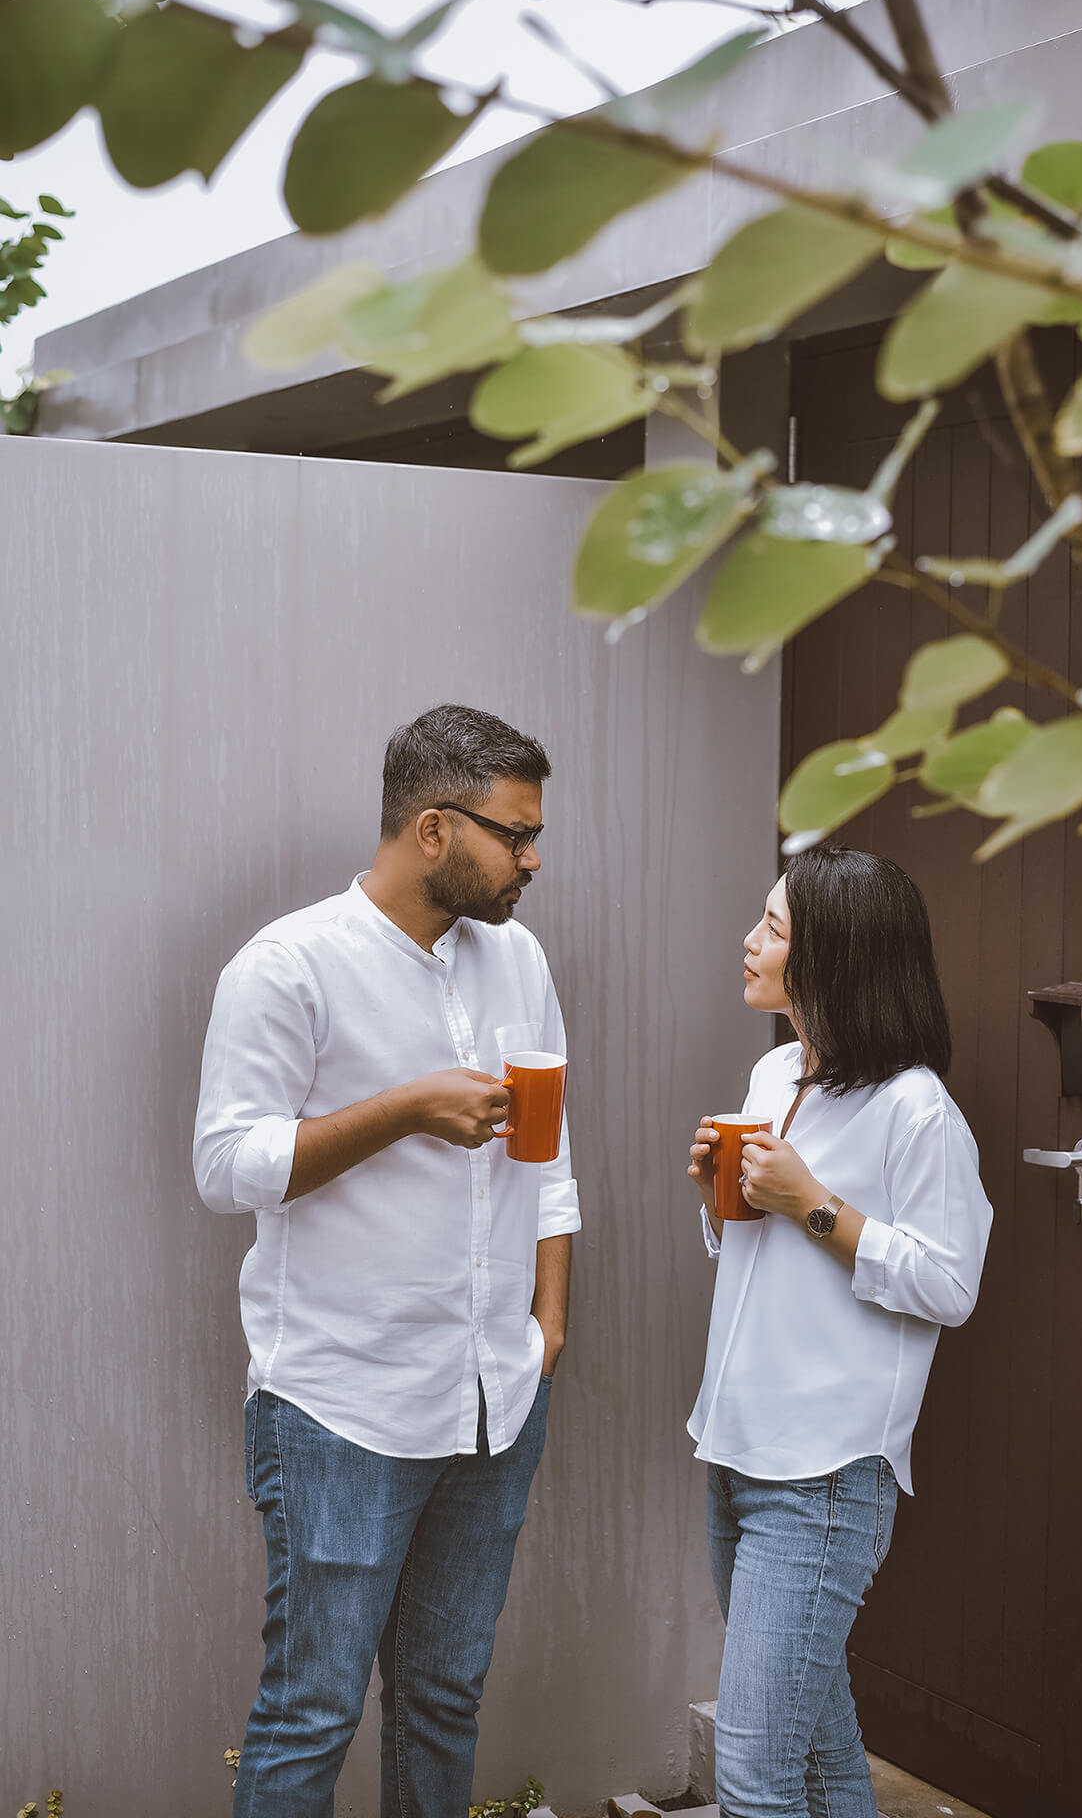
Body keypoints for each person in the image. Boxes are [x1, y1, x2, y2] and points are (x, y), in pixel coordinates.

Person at [194, 704, 579, 1818]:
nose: (531, 858)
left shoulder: (519, 957)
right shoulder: (289, 966)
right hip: (339, 1401)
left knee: (444, 1695)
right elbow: (226, 1165)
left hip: (495, 1396)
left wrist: (547, 1326)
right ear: (431, 828)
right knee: (310, 1710)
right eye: (513, 833)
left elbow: (553, 1162)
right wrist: (407, 1107)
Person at [686, 844, 992, 1818]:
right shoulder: (775, 1067)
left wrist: (813, 1202)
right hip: (734, 1447)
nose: (749, 939)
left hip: (821, 1476)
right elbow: (756, 1253)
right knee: (816, 1749)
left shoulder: (916, 1109)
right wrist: (721, 1200)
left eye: (773, 927)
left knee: (754, 1772)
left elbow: (949, 1282)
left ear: (837, 955)